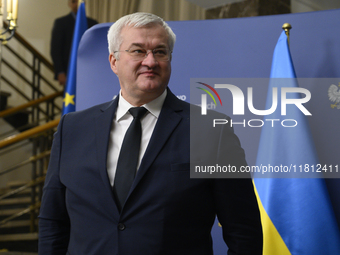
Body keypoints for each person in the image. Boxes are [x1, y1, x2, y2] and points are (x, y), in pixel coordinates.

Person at [39, 12, 263, 255]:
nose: (151, 61)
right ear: (114, 61)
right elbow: (53, 222)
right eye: (137, 51)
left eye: (160, 52)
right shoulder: (72, 128)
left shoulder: (211, 129)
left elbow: (244, 230)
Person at [50, 0, 97, 85]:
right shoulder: (61, 22)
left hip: (88, 71)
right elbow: (56, 50)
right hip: (68, 71)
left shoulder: (92, 23)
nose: (77, 4)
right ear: (69, 4)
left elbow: (96, 49)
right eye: (74, 1)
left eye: (80, 1)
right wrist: (60, 72)